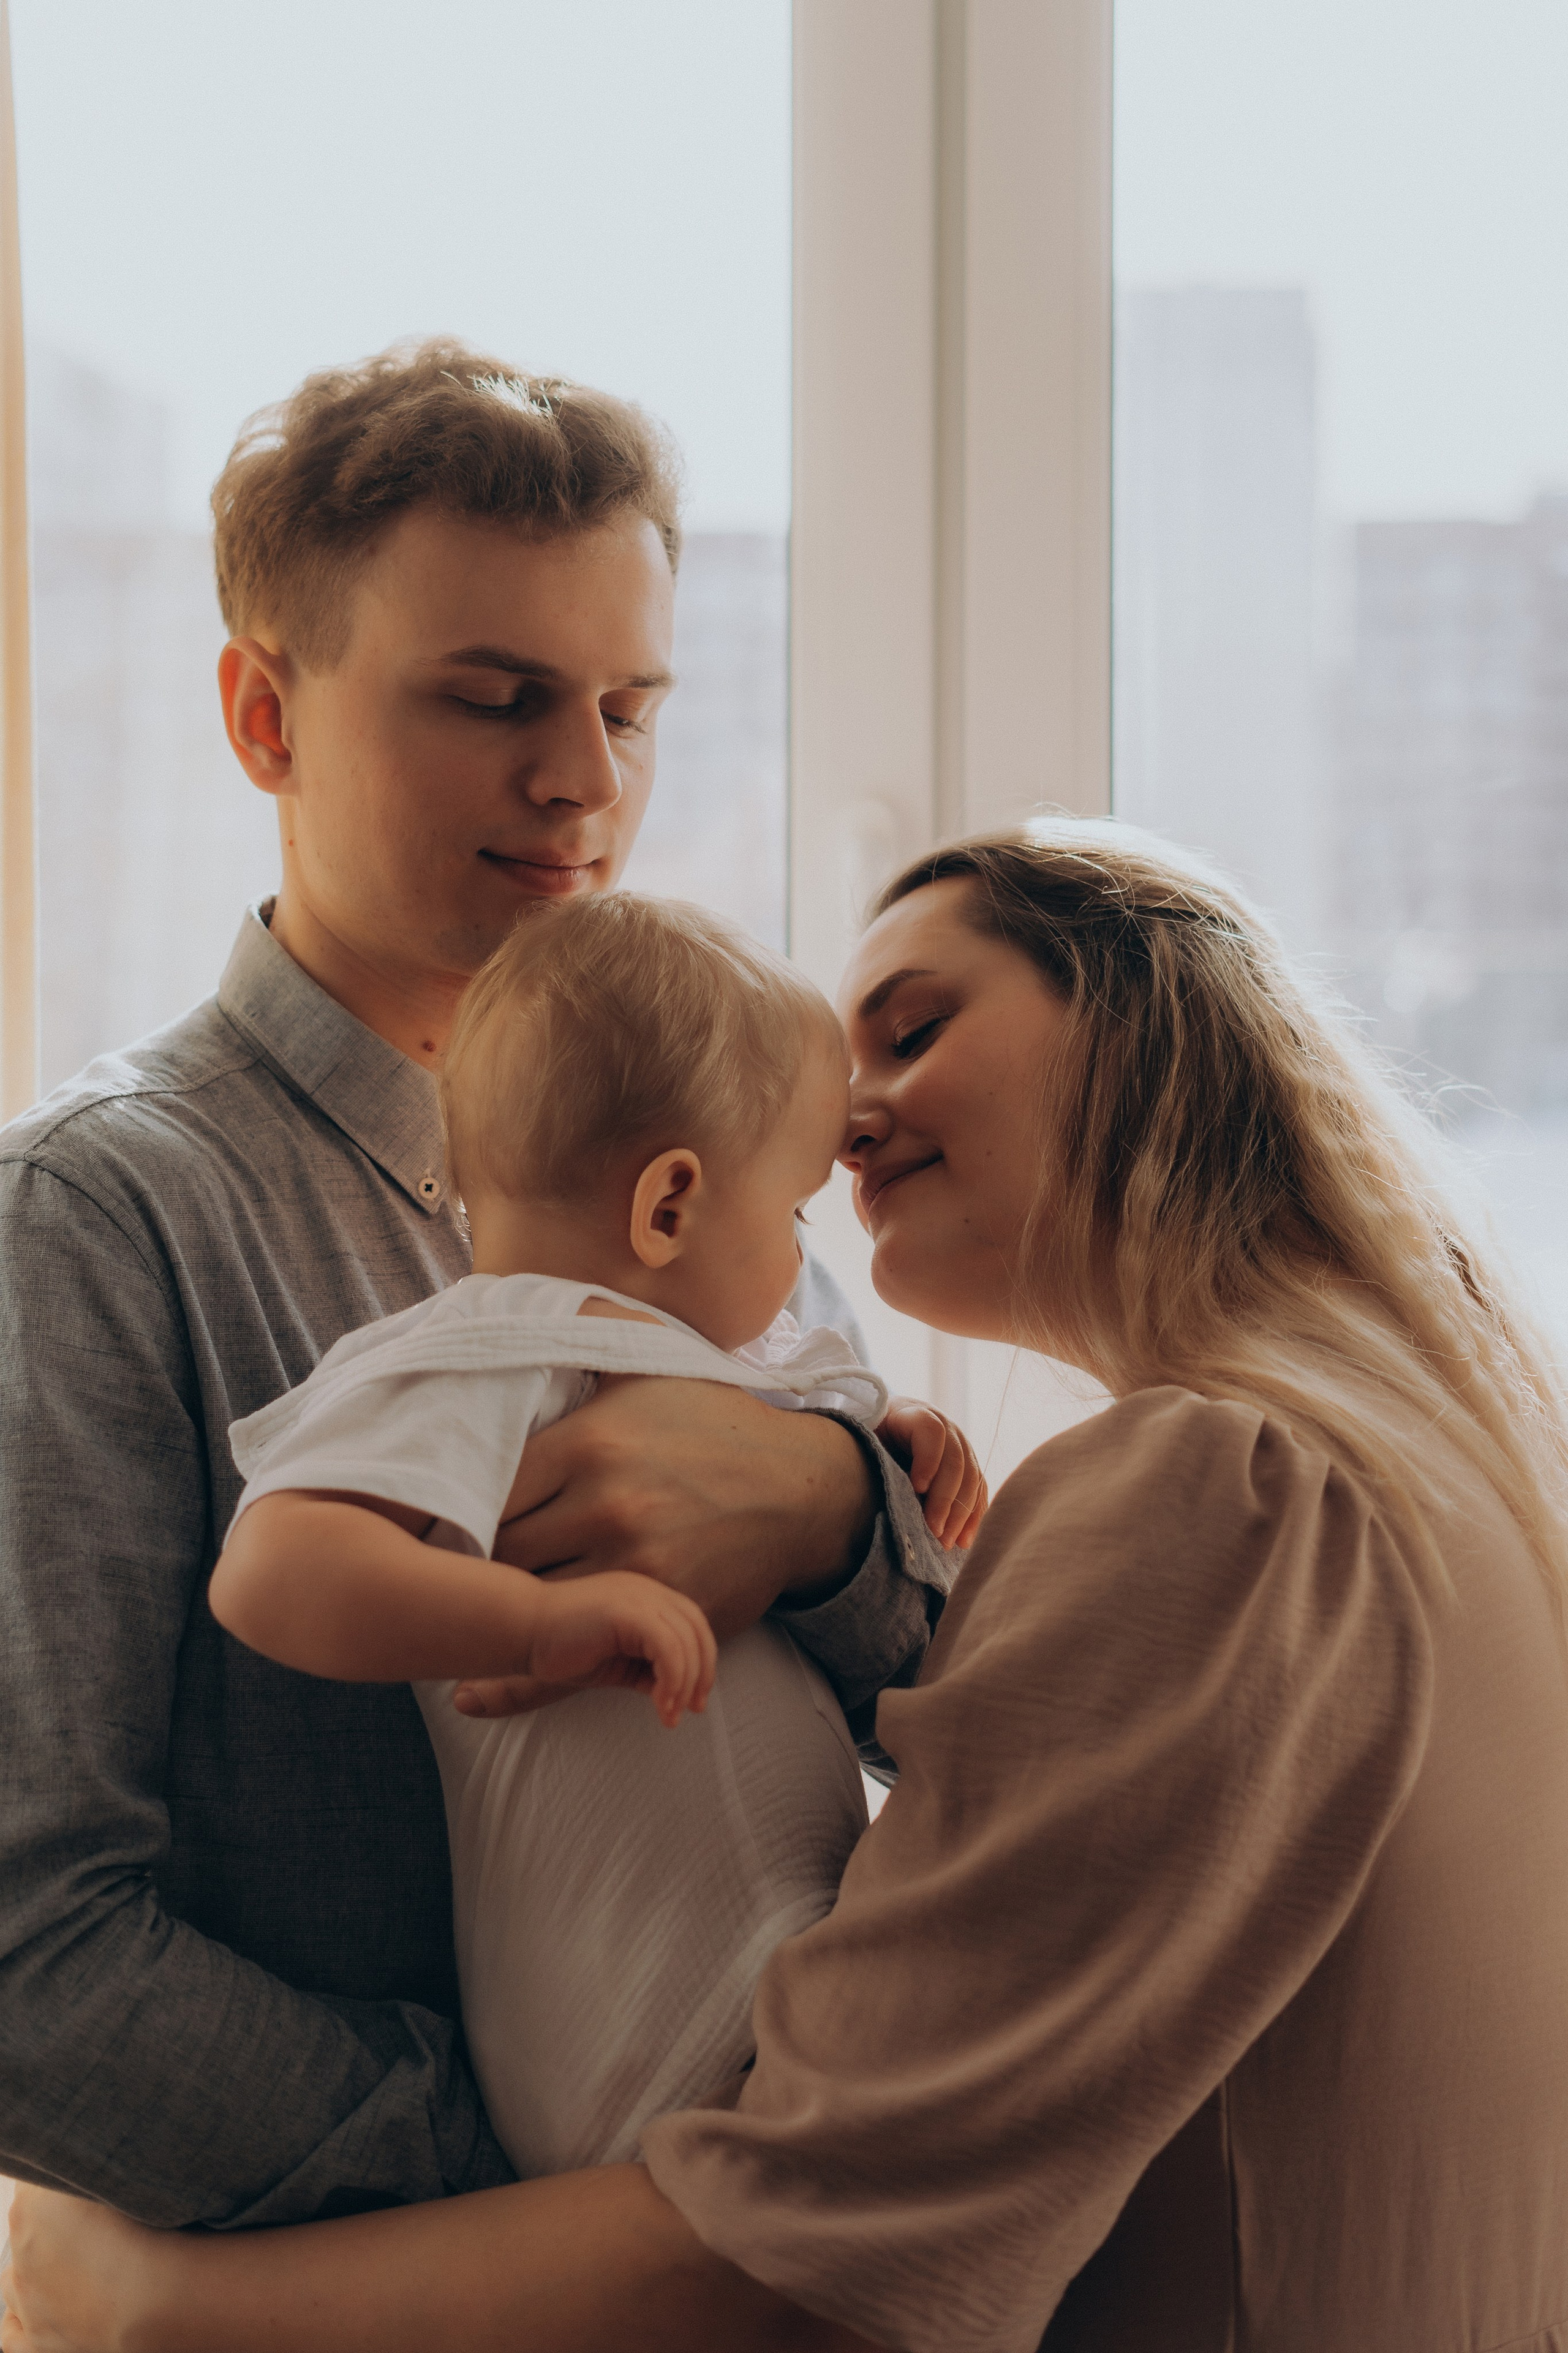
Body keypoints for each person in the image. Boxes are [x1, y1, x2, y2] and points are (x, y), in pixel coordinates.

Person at [10, 820, 1567, 2353]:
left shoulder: (1219, 1491)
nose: (849, 1122)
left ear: (1144, 1023)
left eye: (912, 1029)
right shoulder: (1430, 1464)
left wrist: (159, 2308)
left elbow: (791, 2263)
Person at [0, 343, 951, 2229]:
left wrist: (833, 1509)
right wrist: (544, 2187)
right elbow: (30, 1963)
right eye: (498, 697)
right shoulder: (94, 1226)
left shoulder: (713, 1138)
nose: (590, 779)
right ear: (263, 715)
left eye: (630, 703)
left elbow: (932, 1704)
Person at [211, 890, 980, 2182]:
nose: (800, 1259)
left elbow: (810, 1394)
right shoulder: (481, 1354)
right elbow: (271, 1573)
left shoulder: (727, 1366)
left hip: (797, 1982)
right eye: (792, 1214)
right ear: (667, 1207)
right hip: (638, 2035)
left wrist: (892, 1430)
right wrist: (541, 1619)